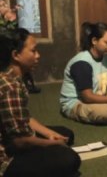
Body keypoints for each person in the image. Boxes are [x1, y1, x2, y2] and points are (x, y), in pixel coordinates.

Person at [0, 28, 80, 177]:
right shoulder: (10, 87)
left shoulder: (13, 76)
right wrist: (51, 143)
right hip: (7, 157)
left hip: (16, 138)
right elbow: (19, 142)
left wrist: (50, 134)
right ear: (16, 55)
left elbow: (25, 118)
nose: (38, 56)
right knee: (70, 159)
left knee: (65, 134)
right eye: (33, 51)